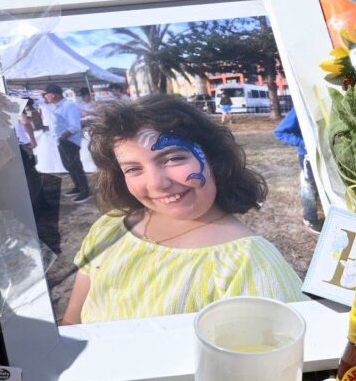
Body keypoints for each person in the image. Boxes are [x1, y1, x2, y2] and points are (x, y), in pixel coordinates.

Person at [61, 94, 303, 324]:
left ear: (214, 158)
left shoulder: (249, 263)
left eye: (172, 159)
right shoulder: (109, 228)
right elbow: (73, 319)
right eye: (133, 169)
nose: (157, 183)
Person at [274, 108, 321, 232]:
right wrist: (304, 143)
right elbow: (279, 132)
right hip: (308, 156)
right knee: (310, 186)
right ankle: (309, 218)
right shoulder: (300, 108)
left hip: (328, 155)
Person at [42, 83, 91, 203]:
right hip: (61, 141)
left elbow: (75, 125)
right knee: (68, 165)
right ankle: (78, 187)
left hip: (69, 141)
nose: (45, 97)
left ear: (53, 95)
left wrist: (63, 138)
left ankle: (85, 190)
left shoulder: (68, 105)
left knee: (75, 165)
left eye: (46, 95)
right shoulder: (56, 106)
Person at [16, 101, 41, 203]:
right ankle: (37, 199)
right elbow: (25, 122)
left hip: (16, 146)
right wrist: (33, 140)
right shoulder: (15, 111)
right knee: (31, 174)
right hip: (23, 146)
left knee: (24, 175)